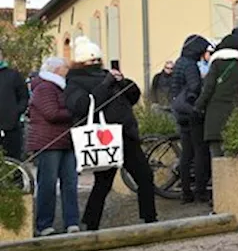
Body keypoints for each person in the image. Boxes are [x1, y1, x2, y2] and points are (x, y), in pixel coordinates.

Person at [64, 37, 156, 230]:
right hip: (103, 137)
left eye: (98, 60)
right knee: (103, 183)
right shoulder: (74, 81)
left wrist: (124, 83)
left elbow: (132, 97)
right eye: (91, 62)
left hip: (125, 135)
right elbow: (83, 106)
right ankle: (91, 223)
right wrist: (105, 84)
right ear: (81, 63)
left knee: (145, 176)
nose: (96, 64)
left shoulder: (109, 76)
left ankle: (150, 218)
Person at [27, 57, 79, 236]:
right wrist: (73, 111)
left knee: (70, 183)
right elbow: (52, 113)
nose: (68, 70)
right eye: (66, 67)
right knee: (47, 185)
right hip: (48, 143)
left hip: (66, 141)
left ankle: (72, 222)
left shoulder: (61, 87)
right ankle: (44, 224)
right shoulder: (44, 88)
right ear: (57, 70)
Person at [171, 35, 212, 204]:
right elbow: (194, 86)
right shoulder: (190, 66)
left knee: (186, 155)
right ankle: (200, 192)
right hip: (191, 113)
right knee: (200, 152)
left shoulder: (179, 62)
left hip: (180, 113)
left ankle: (186, 192)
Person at [196, 33, 238, 159]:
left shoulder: (216, 64)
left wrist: (198, 106)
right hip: (236, 113)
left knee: (216, 157)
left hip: (215, 114)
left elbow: (208, 88)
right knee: (233, 157)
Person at [0, 47, 30, 161]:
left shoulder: (13, 75)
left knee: (13, 160)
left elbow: (24, 96)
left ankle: (17, 179)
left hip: (11, 126)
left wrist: (16, 112)